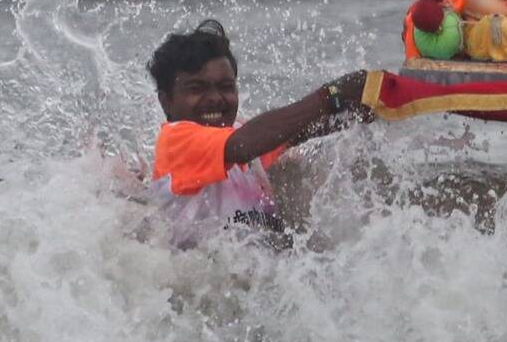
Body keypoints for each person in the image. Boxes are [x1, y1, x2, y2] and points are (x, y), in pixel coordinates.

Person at [146, 19, 370, 248]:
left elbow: (299, 129)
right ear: (167, 101)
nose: (215, 98)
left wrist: (367, 106)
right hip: (198, 277)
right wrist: (329, 96)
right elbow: (245, 145)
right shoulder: (176, 141)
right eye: (196, 89)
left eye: (225, 87)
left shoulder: (242, 137)